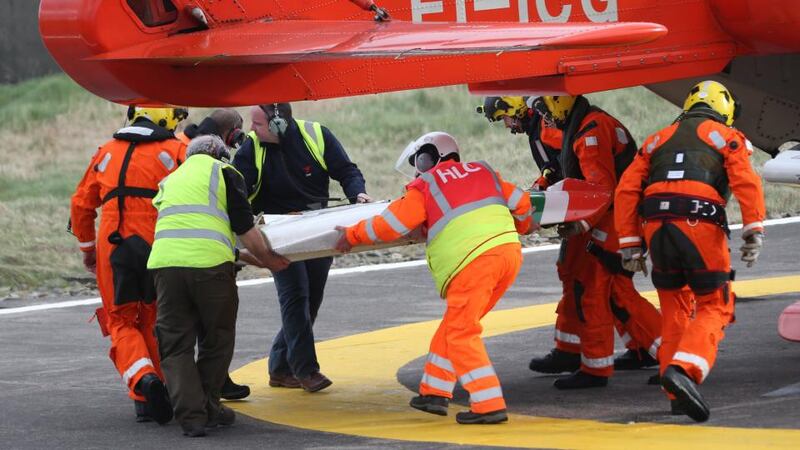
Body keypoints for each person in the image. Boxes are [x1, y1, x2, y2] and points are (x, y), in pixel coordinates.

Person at [336, 131, 534, 424]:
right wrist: (522, 226)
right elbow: (523, 203)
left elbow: (392, 224)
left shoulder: (427, 183)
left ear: (429, 157)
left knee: (461, 333)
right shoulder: (484, 171)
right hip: (507, 255)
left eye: (419, 160)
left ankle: (488, 403)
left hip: (473, 262)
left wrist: (352, 236)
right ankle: (435, 392)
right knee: (456, 324)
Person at [479, 96, 663, 379]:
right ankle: (575, 350)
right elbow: (563, 171)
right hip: (607, 214)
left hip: (613, 216)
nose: (544, 117)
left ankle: (661, 356)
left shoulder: (587, 132)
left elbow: (600, 187)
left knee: (601, 288)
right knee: (576, 274)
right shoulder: (577, 125)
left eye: (544, 109)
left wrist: (580, 222)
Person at [615, 80, 766, 422]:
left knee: (674, 309)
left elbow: (627, 188)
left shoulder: (657, 139)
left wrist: (629, 243)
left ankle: (676, 395)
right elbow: (745, 179)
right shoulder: (726, 135)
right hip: (698, 222)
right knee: (716, 303)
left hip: (655, 225)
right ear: (724, 110)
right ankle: (685, 371)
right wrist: (754, 228)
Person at [148, 135, 290, 437]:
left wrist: (248, 259)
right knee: (218, 337)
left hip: (165, 266)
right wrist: (267, 257)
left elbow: (191, 229)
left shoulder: (170, 180)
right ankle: (209, 406)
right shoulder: (224, 173)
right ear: (218, 154)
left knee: (175, 346)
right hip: (210, 269)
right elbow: (244, 228)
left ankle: (192, 417)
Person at [232, 103, 371, 392]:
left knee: (311, 300)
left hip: (316, 227)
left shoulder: (317, 135)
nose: (251, 131)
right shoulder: (250, 148)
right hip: (276, 233)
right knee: (295, 296)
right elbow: (235, 192)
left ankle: (280, 368)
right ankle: (306, 370)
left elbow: (346, 171)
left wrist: (358, 194)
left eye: (257, 125)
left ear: (279, 124)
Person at [70, 107, 187, 424]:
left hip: (113, 246)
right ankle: (161, 386)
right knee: (154, 317)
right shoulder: (177, 151)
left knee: (121, 321)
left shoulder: (105, 152)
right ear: (167, 118)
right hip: (156, 243)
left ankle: (143, 387)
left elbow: (81, 204)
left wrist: (87, 248)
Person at [174, 109, 251, 400]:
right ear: (231, 132)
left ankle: (206, 388)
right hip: (199, 252)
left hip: (170, 247)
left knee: (180, 333)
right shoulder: (206, 156)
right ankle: (207, 392)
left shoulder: (184, 144)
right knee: (212, 327)